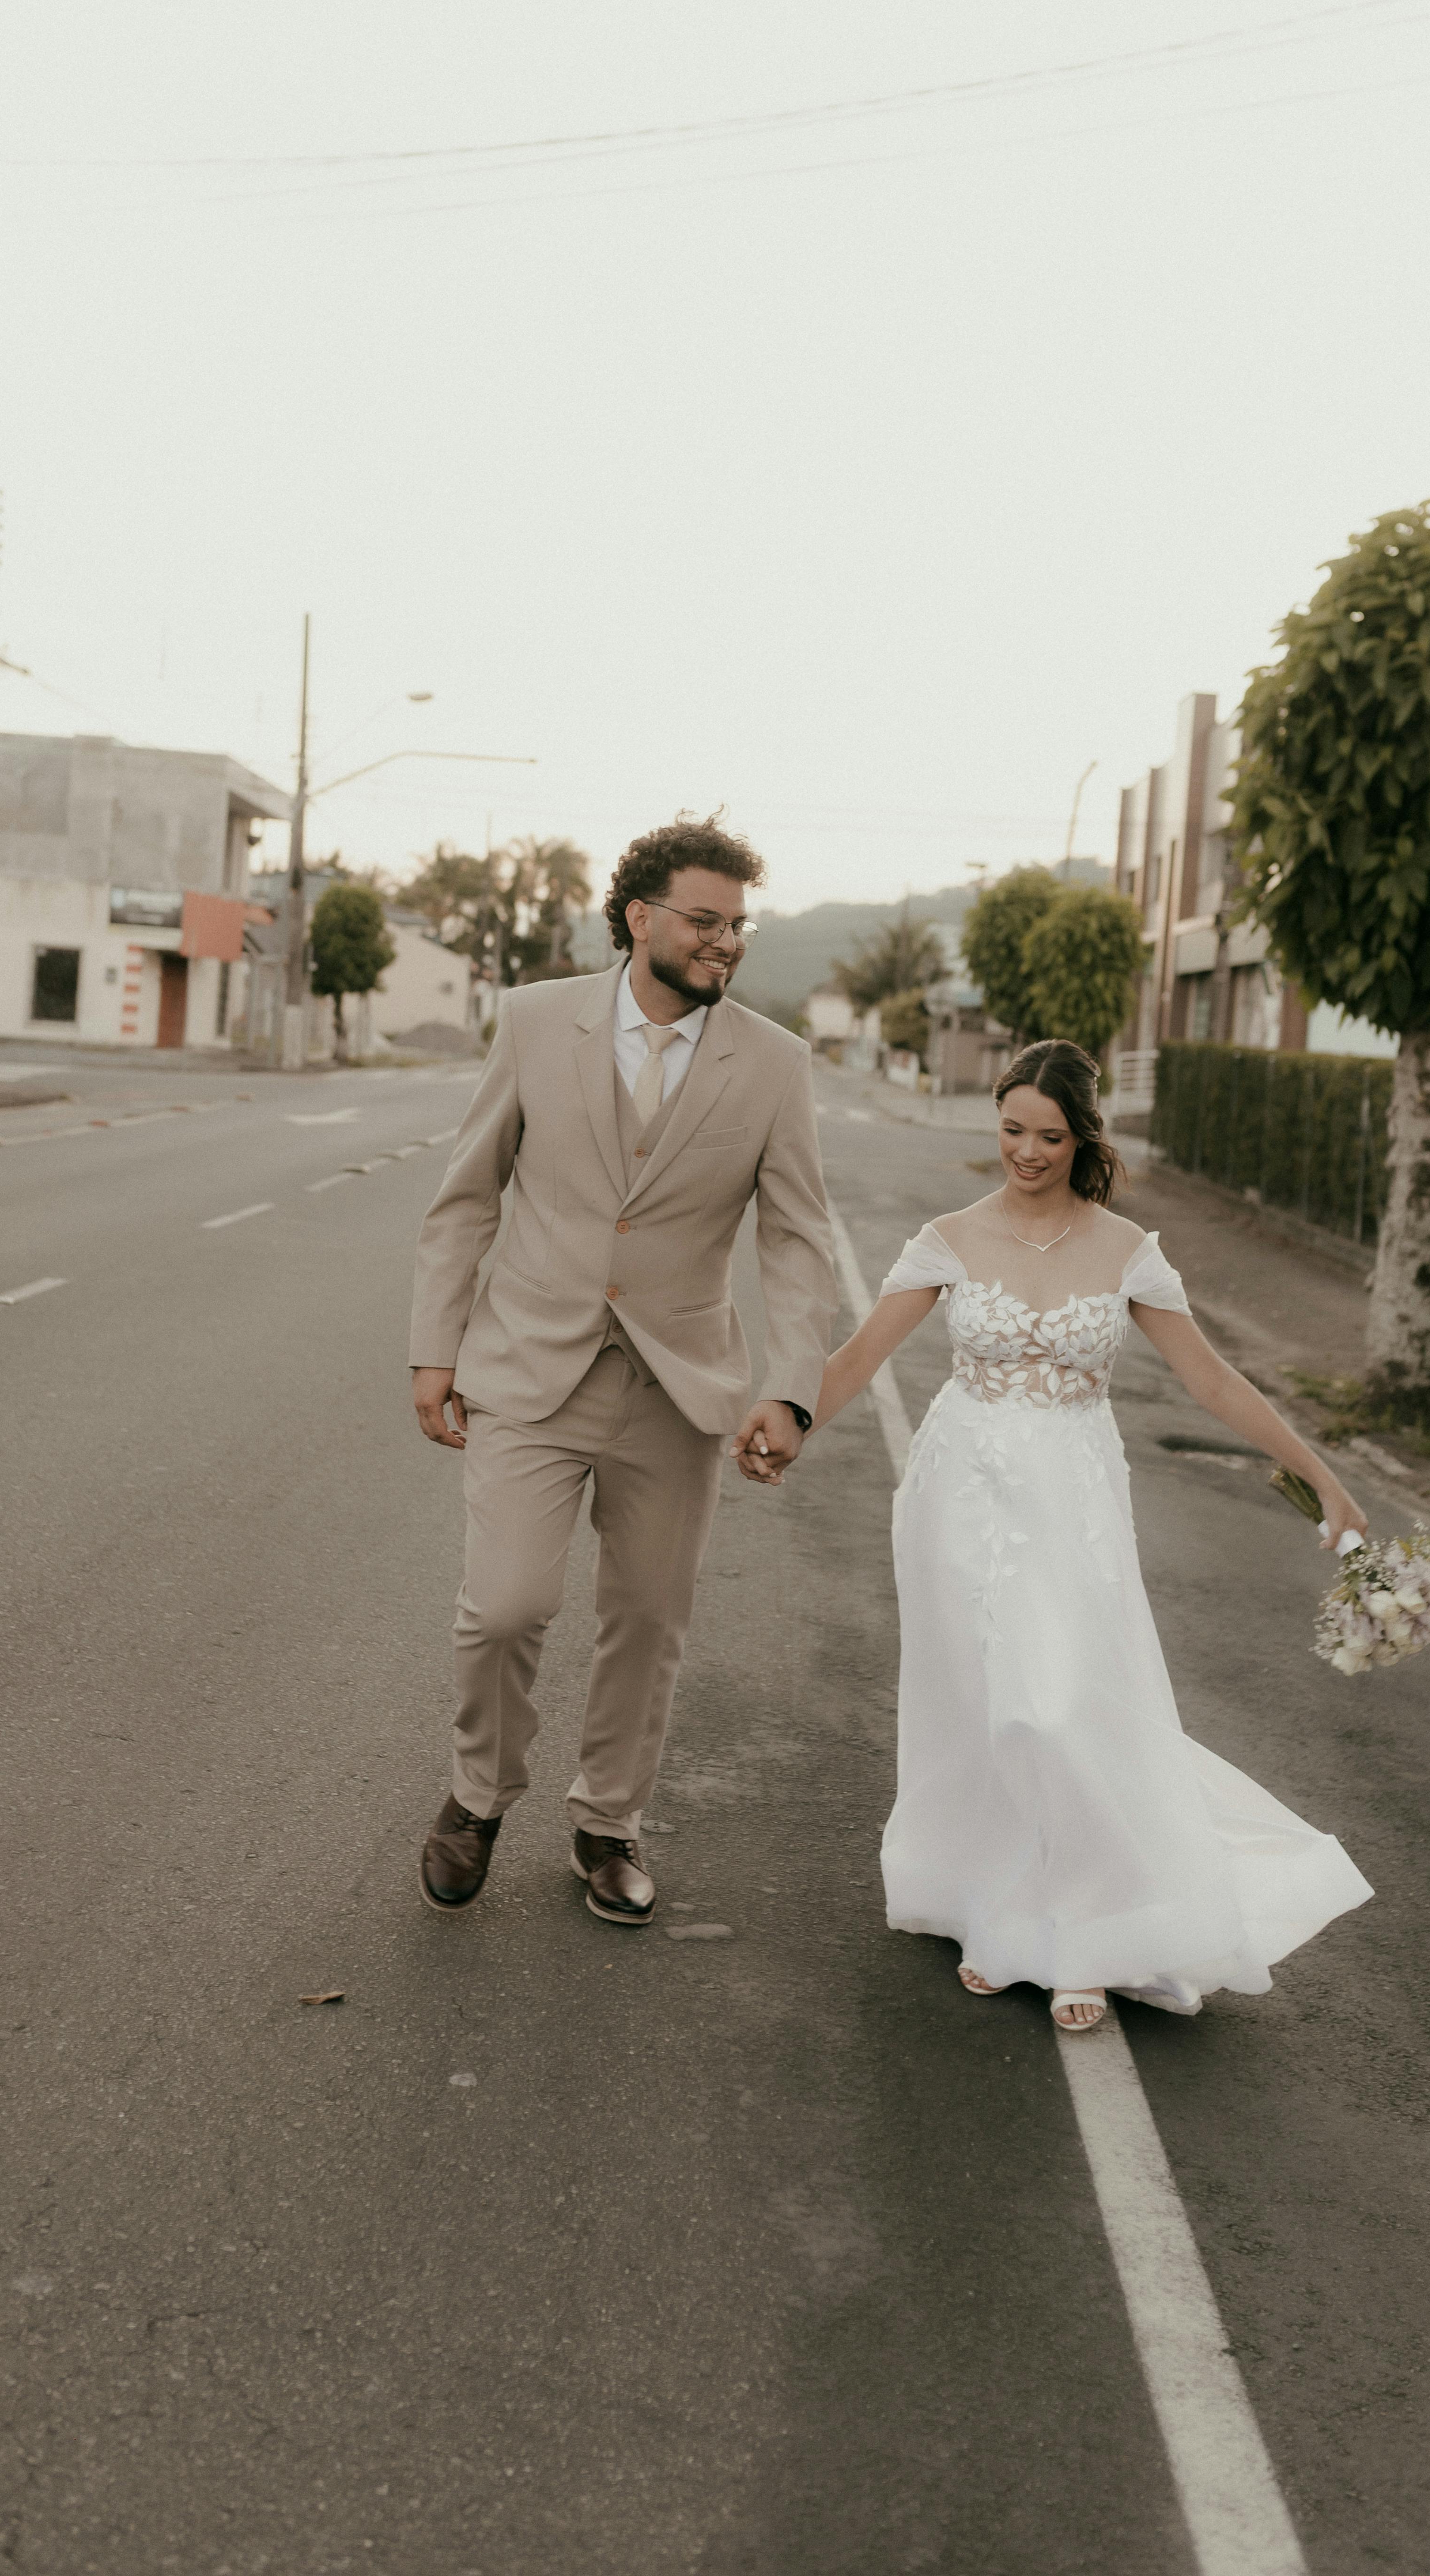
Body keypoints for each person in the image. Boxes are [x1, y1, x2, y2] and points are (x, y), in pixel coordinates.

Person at [812, 1037, 1372, 2032]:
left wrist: (1321, 1474)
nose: (1025, 1151)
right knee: (983, 1704)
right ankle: (994, 1906)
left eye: (1049, 1136)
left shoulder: (1128, 1251)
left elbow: (1211, 1380)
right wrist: (781, 1422)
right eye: (1011, 1129)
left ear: (1082, 1139)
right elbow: (858, 1357)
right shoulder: (948, 1236)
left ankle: (1090, 1931)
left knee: (1059, 1704)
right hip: (960, 1487)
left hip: (1069, 1492)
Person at [409, 817, 836, 1927]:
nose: (724, 942)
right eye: (704, 919)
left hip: (676, 1387)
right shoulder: (535, 1020)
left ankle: (608, 1824)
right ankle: (476, 1796)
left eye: (738, 924)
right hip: (528, 1367)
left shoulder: (776, 1064)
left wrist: (791, 1388)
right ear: (641, 917)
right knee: (503, 1608)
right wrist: (433, 1348)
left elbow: (796, 1238)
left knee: (647, 1619)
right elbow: (468, 1194)